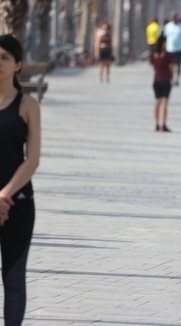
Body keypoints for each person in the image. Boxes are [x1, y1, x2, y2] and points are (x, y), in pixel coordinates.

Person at [0, 34, 41, 325]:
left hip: (18, 203)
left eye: (4, 58)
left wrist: (4, 195)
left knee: (13, 280)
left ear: (18, 65)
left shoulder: (28, 105)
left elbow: (33, 159)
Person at [151, 35, 173, 132]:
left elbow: (154, 67)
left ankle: (156, 123)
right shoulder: (167, 55)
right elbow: (171, 68)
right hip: (165, 80)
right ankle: (163, 124)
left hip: (156, 80)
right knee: (164, 103)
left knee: (157, 102)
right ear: (163, 43)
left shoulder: (154, 55)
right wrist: (172, 76)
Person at [163, 12, 181, 86]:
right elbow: (164, 38)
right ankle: (171, 78)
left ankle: (177, 79)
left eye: (175, 18)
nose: (174, 20)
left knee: (178, 64)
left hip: (179, 48)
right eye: (172, 18)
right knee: (171, 65)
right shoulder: (167, 26)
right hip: (170, 48)